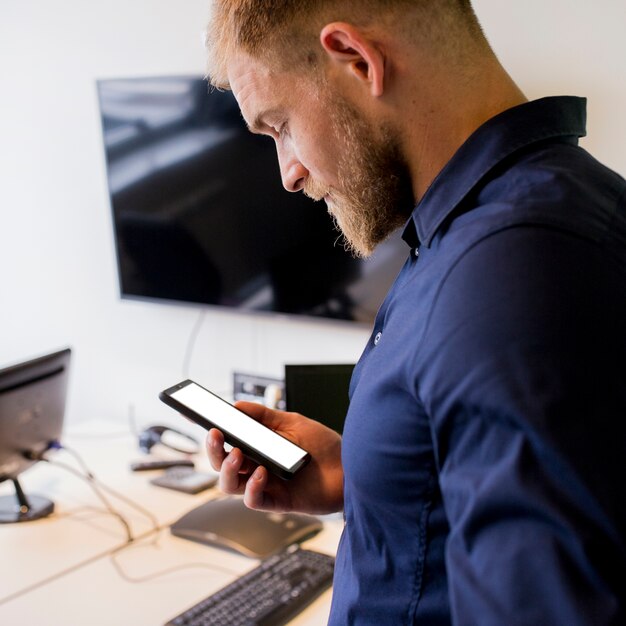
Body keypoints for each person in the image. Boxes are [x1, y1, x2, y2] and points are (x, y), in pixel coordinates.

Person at [203, 1, 626, 624]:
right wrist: (367, 476)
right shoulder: (512, 217)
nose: (289, 174)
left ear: (357, 60)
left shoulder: (508, 274)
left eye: (280, 126)